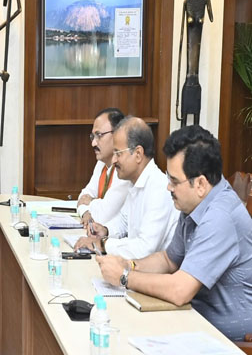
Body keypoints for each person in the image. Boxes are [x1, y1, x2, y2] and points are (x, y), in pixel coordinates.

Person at [97, 125, 252, 341]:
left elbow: (180, 290)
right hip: (192, 319)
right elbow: (169, 260)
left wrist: (124, 277)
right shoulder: (194, 203)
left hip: (226, 341)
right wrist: (129, 264)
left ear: (200, 183)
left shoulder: (220, 217)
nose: (168, 187)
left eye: (174, 181)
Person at [75, 117, 178, 258]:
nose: (114, 160)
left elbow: (144, 248)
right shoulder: (135, 182)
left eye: (118, 153)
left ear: (138, 154)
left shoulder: (159, 188)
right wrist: (105, 231)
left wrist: (102, 244)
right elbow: (123, 221)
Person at [77, 108, 130, 226]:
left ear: (118, 134)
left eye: (99, 135)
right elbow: (82, 197)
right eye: (92, 137)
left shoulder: (125, 168)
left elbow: (103, 216)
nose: (93, 143)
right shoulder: (101, 163)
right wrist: (85, 212)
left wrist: (91, 201)